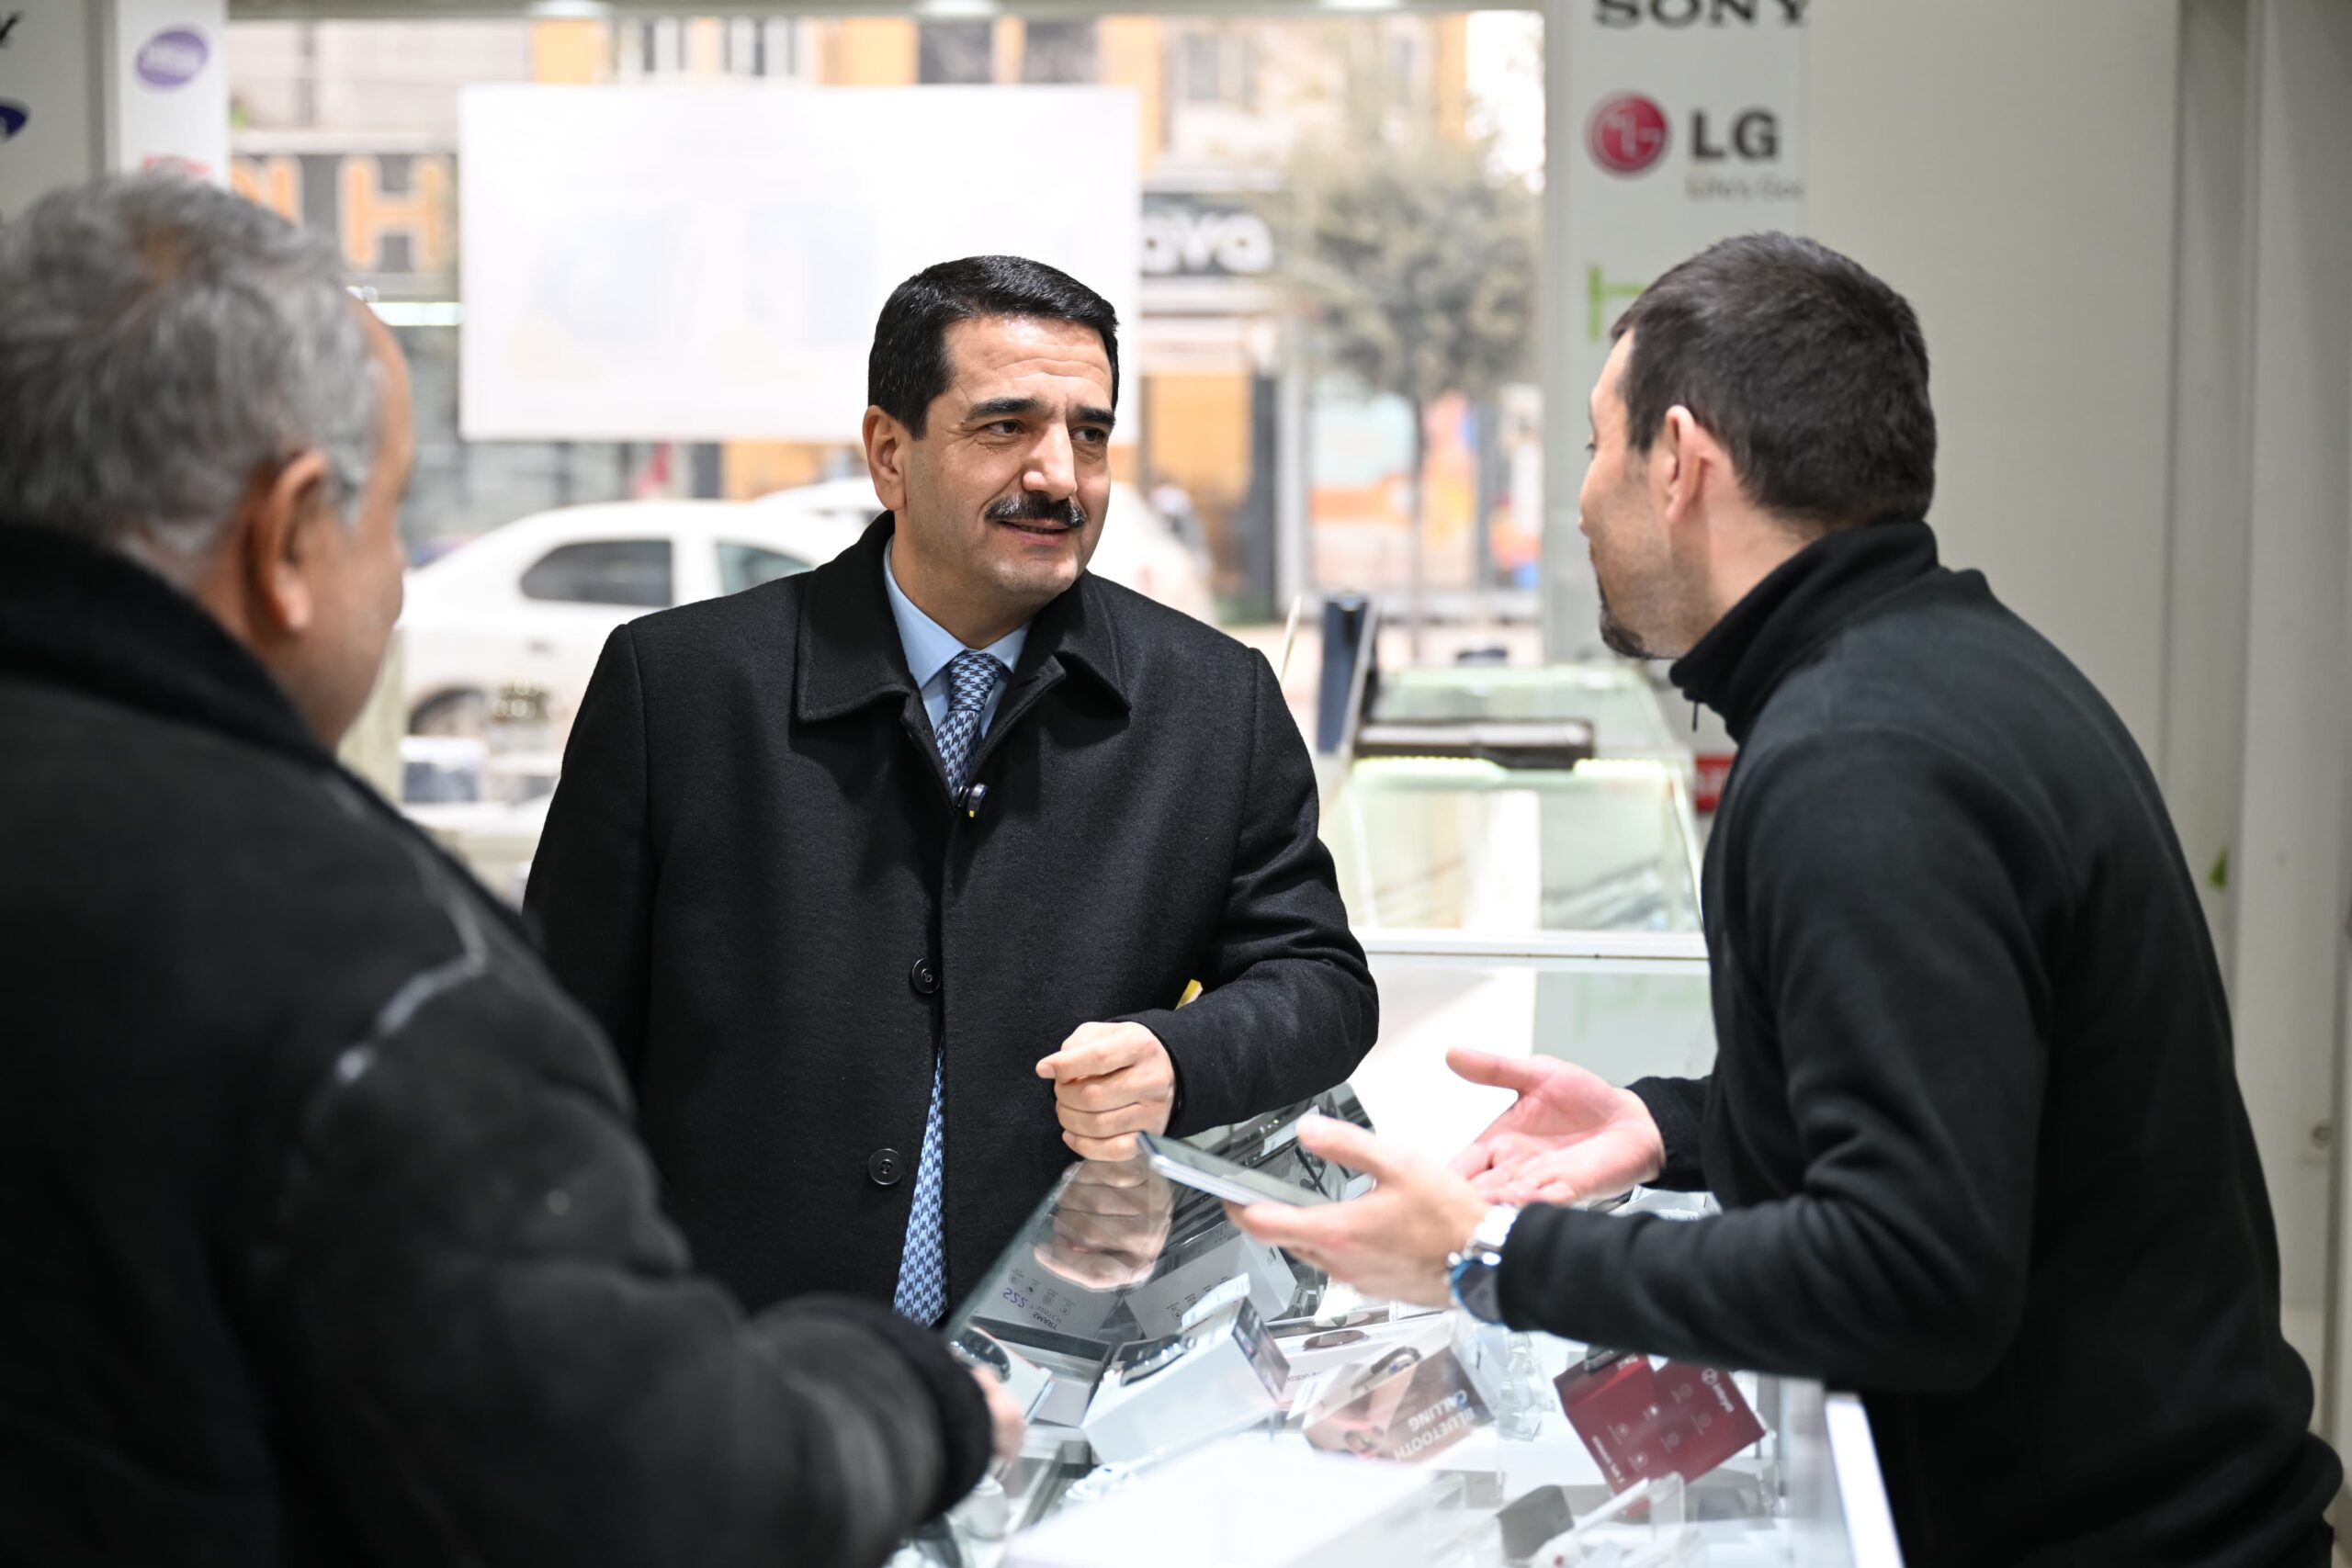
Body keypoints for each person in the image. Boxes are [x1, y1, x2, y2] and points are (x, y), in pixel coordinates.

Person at [1232, 233, 2341, 1566]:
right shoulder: (1944, 668)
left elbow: (1912, 1272)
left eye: (1594, 445)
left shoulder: (1858, 759)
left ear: (1681, 459)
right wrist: (1671, 1122)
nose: (1581, 497)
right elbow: (1971, 1100)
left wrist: (1491, 1252)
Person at [0, 174, 1019, 1568]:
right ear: (290, 537)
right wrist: (906, 1386)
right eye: (391, 519)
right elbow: (669, 1497)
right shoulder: (366, 965)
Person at [527, 255, 1376, 1325]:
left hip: (1065, 1357)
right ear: (890, 452)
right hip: (738, 1363)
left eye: (1090, 434)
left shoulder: (1211, 700)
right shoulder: (683, 690)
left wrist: (1179, 1056)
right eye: (1003, 427)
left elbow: (1320, 983)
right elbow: (553, 1044)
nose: (1058, 475)